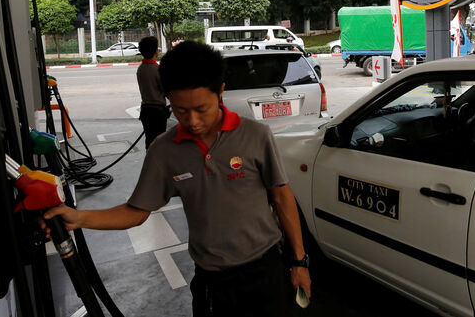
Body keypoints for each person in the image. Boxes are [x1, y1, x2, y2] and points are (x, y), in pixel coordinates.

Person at [43, 41, 311, 316]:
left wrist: (299, 262)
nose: (193, 121)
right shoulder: (164, 151)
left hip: (265, 269)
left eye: (201, 109)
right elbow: (136, 212)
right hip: (212, 279)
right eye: (181, 111)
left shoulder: (256, 136)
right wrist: (81, 218)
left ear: (220, 91)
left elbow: (281, 197)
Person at [136, 36, 169, 149]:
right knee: (159, 141)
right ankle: (157, 165)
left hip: (145, 110)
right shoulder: (156, 69)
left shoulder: (141, 69)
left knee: (149, 140)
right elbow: (165, 90)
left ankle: (150, 163)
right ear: (156, 51)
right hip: (157, 112)